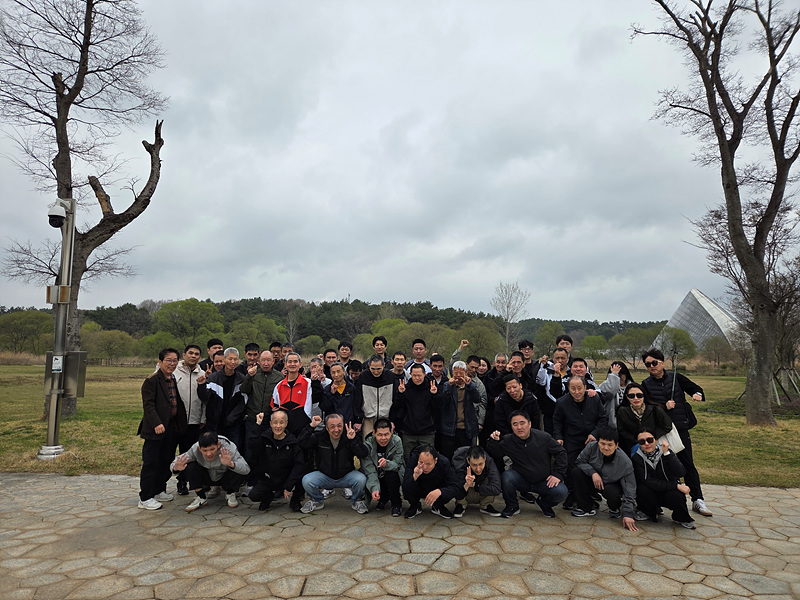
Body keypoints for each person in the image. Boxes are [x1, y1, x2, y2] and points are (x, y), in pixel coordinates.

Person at [640, 348, 712, 517]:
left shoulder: (676, 378)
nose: (651, 366)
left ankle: (697, 499)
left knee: (687, 464)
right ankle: (662, 501)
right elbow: (647, 405)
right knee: (662, 464)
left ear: (662, 362)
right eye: (648, 364)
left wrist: (697, 394)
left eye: (654, 363)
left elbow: (695, 388)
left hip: (679, 428)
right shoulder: (646, 384)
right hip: (660, 430)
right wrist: (664, 406)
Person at [486, 411, 568, 519]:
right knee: (507, 476)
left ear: (529, 424)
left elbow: (561, 452)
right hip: (521, 479)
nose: (519, 427)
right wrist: (494, 441)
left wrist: (558, 474)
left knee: (561, 492)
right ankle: (512, 506)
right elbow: (496, 453)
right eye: (515, 424)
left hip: (543, 481)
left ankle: (544, 504)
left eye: (522, 423)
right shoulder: (508, 440)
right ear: (511, 426)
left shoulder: (543, 437)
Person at [137, 348, 189, 510]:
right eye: (168, 360)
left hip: (170, 428)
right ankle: (145, 497)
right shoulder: (151, 381)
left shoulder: (172, 378)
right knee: (151, 462)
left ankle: (159, 489)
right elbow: (148, 405)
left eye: (175, 360)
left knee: (165, 460)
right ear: (160, 362)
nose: (172, 364)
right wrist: (156, 423)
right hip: (155, 429)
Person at [570, 427, 640, 532]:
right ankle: (586, 507)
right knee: (577, 472)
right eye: (602, 444)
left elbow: (630, 488)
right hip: (594, 480)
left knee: (611, 491)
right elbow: (580, 461)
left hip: (611, 485)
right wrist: (592, 472)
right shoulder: (591, 447)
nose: (606, 448)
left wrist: (628, 513)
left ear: (616, 445)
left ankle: (614, 508)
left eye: (610, 445)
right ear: (598, 442)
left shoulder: (625, 462)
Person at [553, 376, 608, 509]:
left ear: (585, 388)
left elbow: (603, 418)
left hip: (592, 439)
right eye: (573, 388)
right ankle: (572, 494)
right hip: (572, 438)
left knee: (592, 466)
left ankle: (589, 493)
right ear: (568, 388)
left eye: (579, 388)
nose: (576, 392)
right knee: (571, 466)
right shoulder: (562, 402)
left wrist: (594, 433)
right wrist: (558, 437)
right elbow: (557, 422)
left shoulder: (594, 399)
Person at [298, 414, 369, 514]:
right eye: (332, 426)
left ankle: (356, 501)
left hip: (346, 476)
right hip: (324, 475)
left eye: (339, 425)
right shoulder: (320, 437)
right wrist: (311, 427)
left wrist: (353, 440)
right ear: (327, 428)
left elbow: (363, 454)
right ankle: (317, 501)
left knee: (361, 479)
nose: (336, 429)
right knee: (307, 480)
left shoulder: (349, 436)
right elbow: (301, 443)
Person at [170, 430, 250, 512]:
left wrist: (231, 464)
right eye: (205, 450)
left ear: (218, 445)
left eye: (212, 449)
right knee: (190, 466)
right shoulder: (195, 449)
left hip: (225, 476)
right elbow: (176, 462)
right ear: (199, 448)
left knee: (237, 467)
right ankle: (201, 497)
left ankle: (230, 493)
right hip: (207, 476)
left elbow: (246, 469)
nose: (209, 454)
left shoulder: (229, 447)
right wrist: (176, 468)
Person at [632, 427, 696, 529]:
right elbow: (647, 480)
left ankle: (680, 517)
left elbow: (681, 472)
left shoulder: (667, 452)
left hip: (668, 491)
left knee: (677, 495)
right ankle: (649, 512)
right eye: (642, 442)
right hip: (652, 490)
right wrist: (676, 485)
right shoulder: (637, 458)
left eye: (650, 440)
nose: (647, 444)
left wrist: (667, 454)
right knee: (642, 489)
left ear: (656, 440)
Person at [240, 349, 284, 484]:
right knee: (250, 450)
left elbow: (282, 396)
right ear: (258, 361)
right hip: (253, 418)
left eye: (268, 360)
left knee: (268, 451)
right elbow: (244, 390)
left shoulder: (279, 377)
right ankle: (250, 480)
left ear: (273, 361)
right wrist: (249, 376)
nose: (266, 363)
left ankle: (267, 480)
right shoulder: (254, 374)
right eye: (263, 360)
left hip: (270, 419)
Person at [247, 409, 305, 511]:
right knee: (254, 495)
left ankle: (295, 500)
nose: (278, 426)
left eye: (281, 422)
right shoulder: (265, 438)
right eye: (275, 423)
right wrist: (258, 424)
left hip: (287, 478)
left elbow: (299, 465)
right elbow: (253, 446)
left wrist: (289, 485)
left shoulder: (293, 442)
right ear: (270, 424)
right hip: (269, 478)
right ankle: (268, 497)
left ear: (286, 423)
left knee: (302, 477)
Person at [173, 344, 208, 496]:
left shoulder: (202, 374)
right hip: (175, 420)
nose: (193, 356)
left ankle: (183, 481)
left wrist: (203, 417)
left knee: (188, 453)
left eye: (197, 354)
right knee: (169, 453)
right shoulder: (174, 372)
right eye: (191, 353)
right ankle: (160, 484)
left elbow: (205, 400)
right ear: (184, 354)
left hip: (194, 421)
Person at [437, 361, 485, 460]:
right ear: (452, 373)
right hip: (449, 428)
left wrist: (470, 386)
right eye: (456, 373)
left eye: (461, 373)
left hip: (465, 428)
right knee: (447, 455)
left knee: (464, 456)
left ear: (466, 372)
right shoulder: (447, 385)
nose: (458, 375)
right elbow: (443, 402)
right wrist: (450, 387)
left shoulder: (471, 385)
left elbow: (477, 399)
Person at [402, 444, 462, 519]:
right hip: (419, 488)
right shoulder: (413, 459)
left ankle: (438, 506)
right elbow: (404, 487)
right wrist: (415, 476)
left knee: (449, 490)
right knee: (408, 486)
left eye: (428, 464)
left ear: (435, 460)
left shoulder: (444, 462)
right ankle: (415, 505)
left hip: (437, 487)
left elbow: (456, 486)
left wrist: (440, 491)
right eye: (421, 462)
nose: (424, 467)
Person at [393, 364, 440, 458]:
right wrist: (400, 394)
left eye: (419, 375)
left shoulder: (431, 387)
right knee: (408, 458)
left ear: (424, 374)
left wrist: (434, 395)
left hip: (427, 431)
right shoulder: (405, 388)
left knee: (428, 458)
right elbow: (397, 406)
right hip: (408, 432)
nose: (417, 378)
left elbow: (437, 408)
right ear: (410, 374)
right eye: (414, 375)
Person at [362, 418, 405, 517]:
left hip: (393, 472)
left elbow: (398, 463)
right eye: (380, 435)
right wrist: (374, 488)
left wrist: (387, 464)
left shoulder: (397, 441)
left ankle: (396, 503)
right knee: (368, 475)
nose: (383, 438)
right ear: (374, 433)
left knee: (391, 475)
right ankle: (383, 498)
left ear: (391, 432)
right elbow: (369, 469)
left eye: (386, 434)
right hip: (376, 473)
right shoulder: (368, 444)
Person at [205, 347, 247, 449]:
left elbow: (243, 402)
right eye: (230, 359)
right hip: (215, 423)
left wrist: (232, 418)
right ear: (224, 360)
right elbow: (206, 398)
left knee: (232, 450)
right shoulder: (213, 378)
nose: (233, 362)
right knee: (214, 450)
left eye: (235, 359)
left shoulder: (241, 379)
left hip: (233, 424)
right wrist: (201, 385)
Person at [616, 383, 673, 456]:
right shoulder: (622, 411)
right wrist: (637, 440)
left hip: (655, 446)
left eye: (639, 395)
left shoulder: (655, 409)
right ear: (627, 397)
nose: (636, 398)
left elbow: (667, 426)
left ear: (644, 395)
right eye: (631, 396)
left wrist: (652, 438)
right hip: (633, 447)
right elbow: (621, 429)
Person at [452, 445, 502, 517]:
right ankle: (461, 504)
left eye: (480, 464)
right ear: (468, 461)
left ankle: (485, 504)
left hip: (481, 489)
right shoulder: (459, 463)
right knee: (457, 484)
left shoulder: (489, 462)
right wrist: (466, 484)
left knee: (491, 479)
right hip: (466, 493)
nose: (478, 469)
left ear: (484, 458)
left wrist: (475, 485)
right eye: (474, 465)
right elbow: (454, 491)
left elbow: (496, 488)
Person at [271, 352, 313, 436]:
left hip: (304, 430)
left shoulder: (309, 383)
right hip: (285, 432)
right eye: (289, 362)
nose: (292, 364)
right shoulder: (278, 386)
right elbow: (274, 406)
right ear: (285, 365)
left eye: (295, 361)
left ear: (300, 364)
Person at [354, 355, 396, 437]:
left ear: (384, 365)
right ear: (369, 365)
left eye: (379, 369)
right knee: (367, 442)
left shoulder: (390, 376)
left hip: (385, 418)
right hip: (368, 418)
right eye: (373, 369)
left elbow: (394, 399)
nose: (376, 372)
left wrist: (392, 419)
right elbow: (358, 399)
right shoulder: (363, 376)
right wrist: (358, 420)